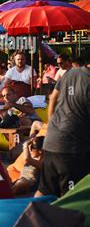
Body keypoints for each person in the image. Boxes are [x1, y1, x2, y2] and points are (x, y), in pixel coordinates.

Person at [36, 59, 90, 197]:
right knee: (71, 197)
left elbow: (53, 97)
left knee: (44, 190)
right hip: (70, 149)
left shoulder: (70, 73)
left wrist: (50, 122)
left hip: (52, 140)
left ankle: (30, 217)